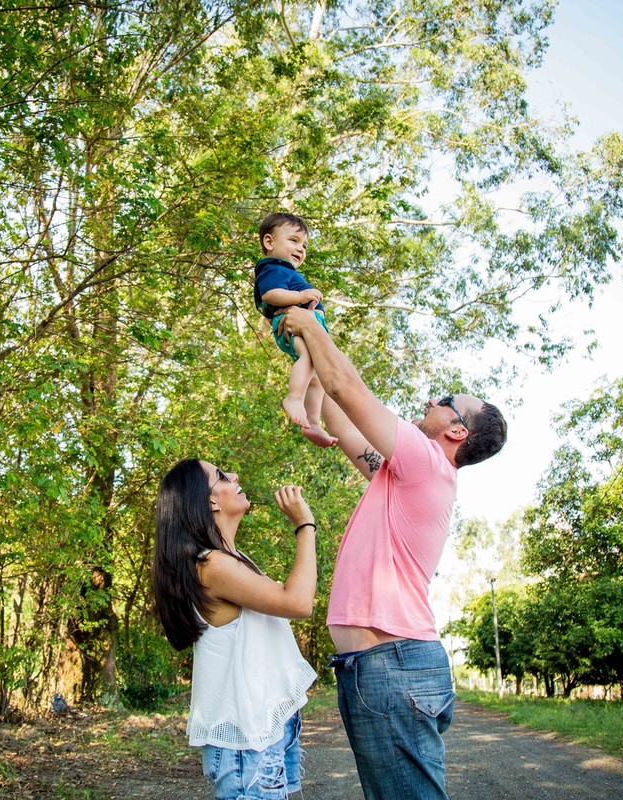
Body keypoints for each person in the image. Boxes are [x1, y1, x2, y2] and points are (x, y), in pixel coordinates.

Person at [278, 305, 508, 800]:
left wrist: (308, 323)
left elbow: (348, 389)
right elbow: (343, 419)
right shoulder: (402, 473)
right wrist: (311, 361)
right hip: (388, 666)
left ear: (457, 432)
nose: (431, 399)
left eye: (446, 400)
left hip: (392, 665)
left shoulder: (427, 463)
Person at [153, 458, 319, 800]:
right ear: (210, 500)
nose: (237, 476)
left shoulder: (229, 558)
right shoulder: (210, 566)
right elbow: (299, 602)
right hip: (247, 743)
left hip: (268, 727)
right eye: (223, 475)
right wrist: (305, 525)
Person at [253, 212, 338, 447]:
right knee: (309, 359)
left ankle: (313, 423)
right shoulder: (274, 267)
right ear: (269, 242)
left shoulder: (286, 270)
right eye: (293, 240)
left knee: (317, 376)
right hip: (293, 326)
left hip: (306, 327)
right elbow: (270, 294)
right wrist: (300, 296)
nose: (300, 248)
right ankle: (293, 397)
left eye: (304, 245)